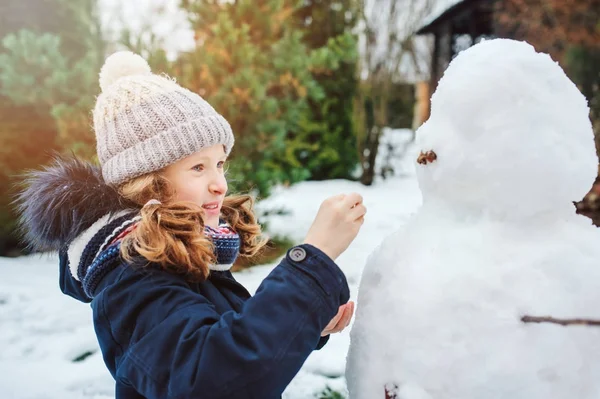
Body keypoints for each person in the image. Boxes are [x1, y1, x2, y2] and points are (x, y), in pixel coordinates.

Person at [16, 51, 366, 399]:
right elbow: (216, 378)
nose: (220, 184)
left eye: (220, 164)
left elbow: (226, 333)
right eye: (198, 168)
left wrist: (304, 319)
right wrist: (315, 257)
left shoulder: (179, 251)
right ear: (147, 181)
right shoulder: (130, 276)